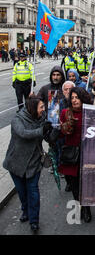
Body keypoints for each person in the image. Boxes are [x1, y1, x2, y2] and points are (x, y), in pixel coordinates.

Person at [3, 96, 55, 233]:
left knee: (33, 192)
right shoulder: (18, 119)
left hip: (34, 163)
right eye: (41, 107)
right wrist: (41, 130)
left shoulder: (42, 117)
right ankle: (25, 210)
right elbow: (23, 133)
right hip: (16, 163)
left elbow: (46, 136)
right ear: (33, 108)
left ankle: (34, 221)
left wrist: (51, 132)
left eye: (44, 107)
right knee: (22, 192)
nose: (44, 110)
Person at [59, 87, 93, 223]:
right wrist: (65, 127)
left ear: (83, 98)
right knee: (74, 184)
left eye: (77, 97)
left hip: (87, 153)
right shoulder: (65, 112)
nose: (74, 100)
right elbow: (61, 134)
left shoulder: (90, 112)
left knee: (85, 184)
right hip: (71, 155)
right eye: (72, 98)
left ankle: (87, 208)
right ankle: (78, 205)